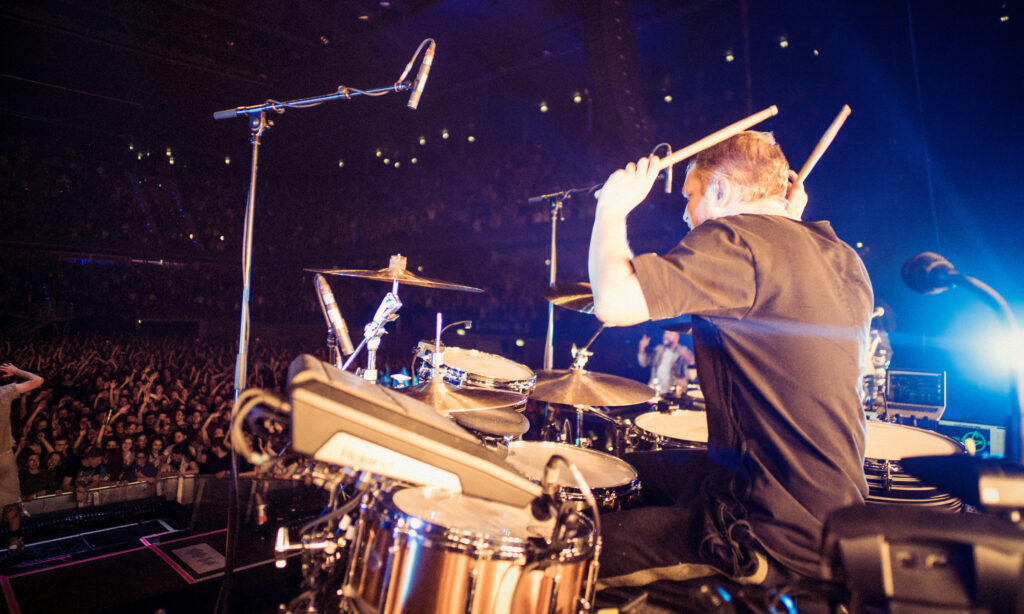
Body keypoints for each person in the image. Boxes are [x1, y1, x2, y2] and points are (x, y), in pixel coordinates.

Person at [588, 131, 872, 588]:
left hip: (765, 532)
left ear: (721, 190)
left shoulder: (737, 240)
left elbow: (613, 301)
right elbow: (776, 298)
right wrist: (785, 219)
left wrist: (612, 207)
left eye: (692, 195)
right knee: (619, 468)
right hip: (832, 517)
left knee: (569, 545)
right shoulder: (842, 258)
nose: (685, 213)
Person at [1, 363, 44, 551]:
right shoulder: (4, 391)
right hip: (5, 457)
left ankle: (14, 539)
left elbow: (38, 381)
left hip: (5, 457)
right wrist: (16, 371)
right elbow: (38, 380)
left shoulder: (4, 392)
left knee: (11, 502)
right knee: (11, 502)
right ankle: (14, 540)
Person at [637, 329, 695, 395]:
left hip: (674, 395)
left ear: (677, 336)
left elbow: (692, 376)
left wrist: (689, 360)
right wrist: (641, 347)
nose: (666, 335)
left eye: (669, 333)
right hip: (655, 392)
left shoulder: (683, 353)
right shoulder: (659, 349)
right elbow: (643, 363)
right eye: (665, 333)